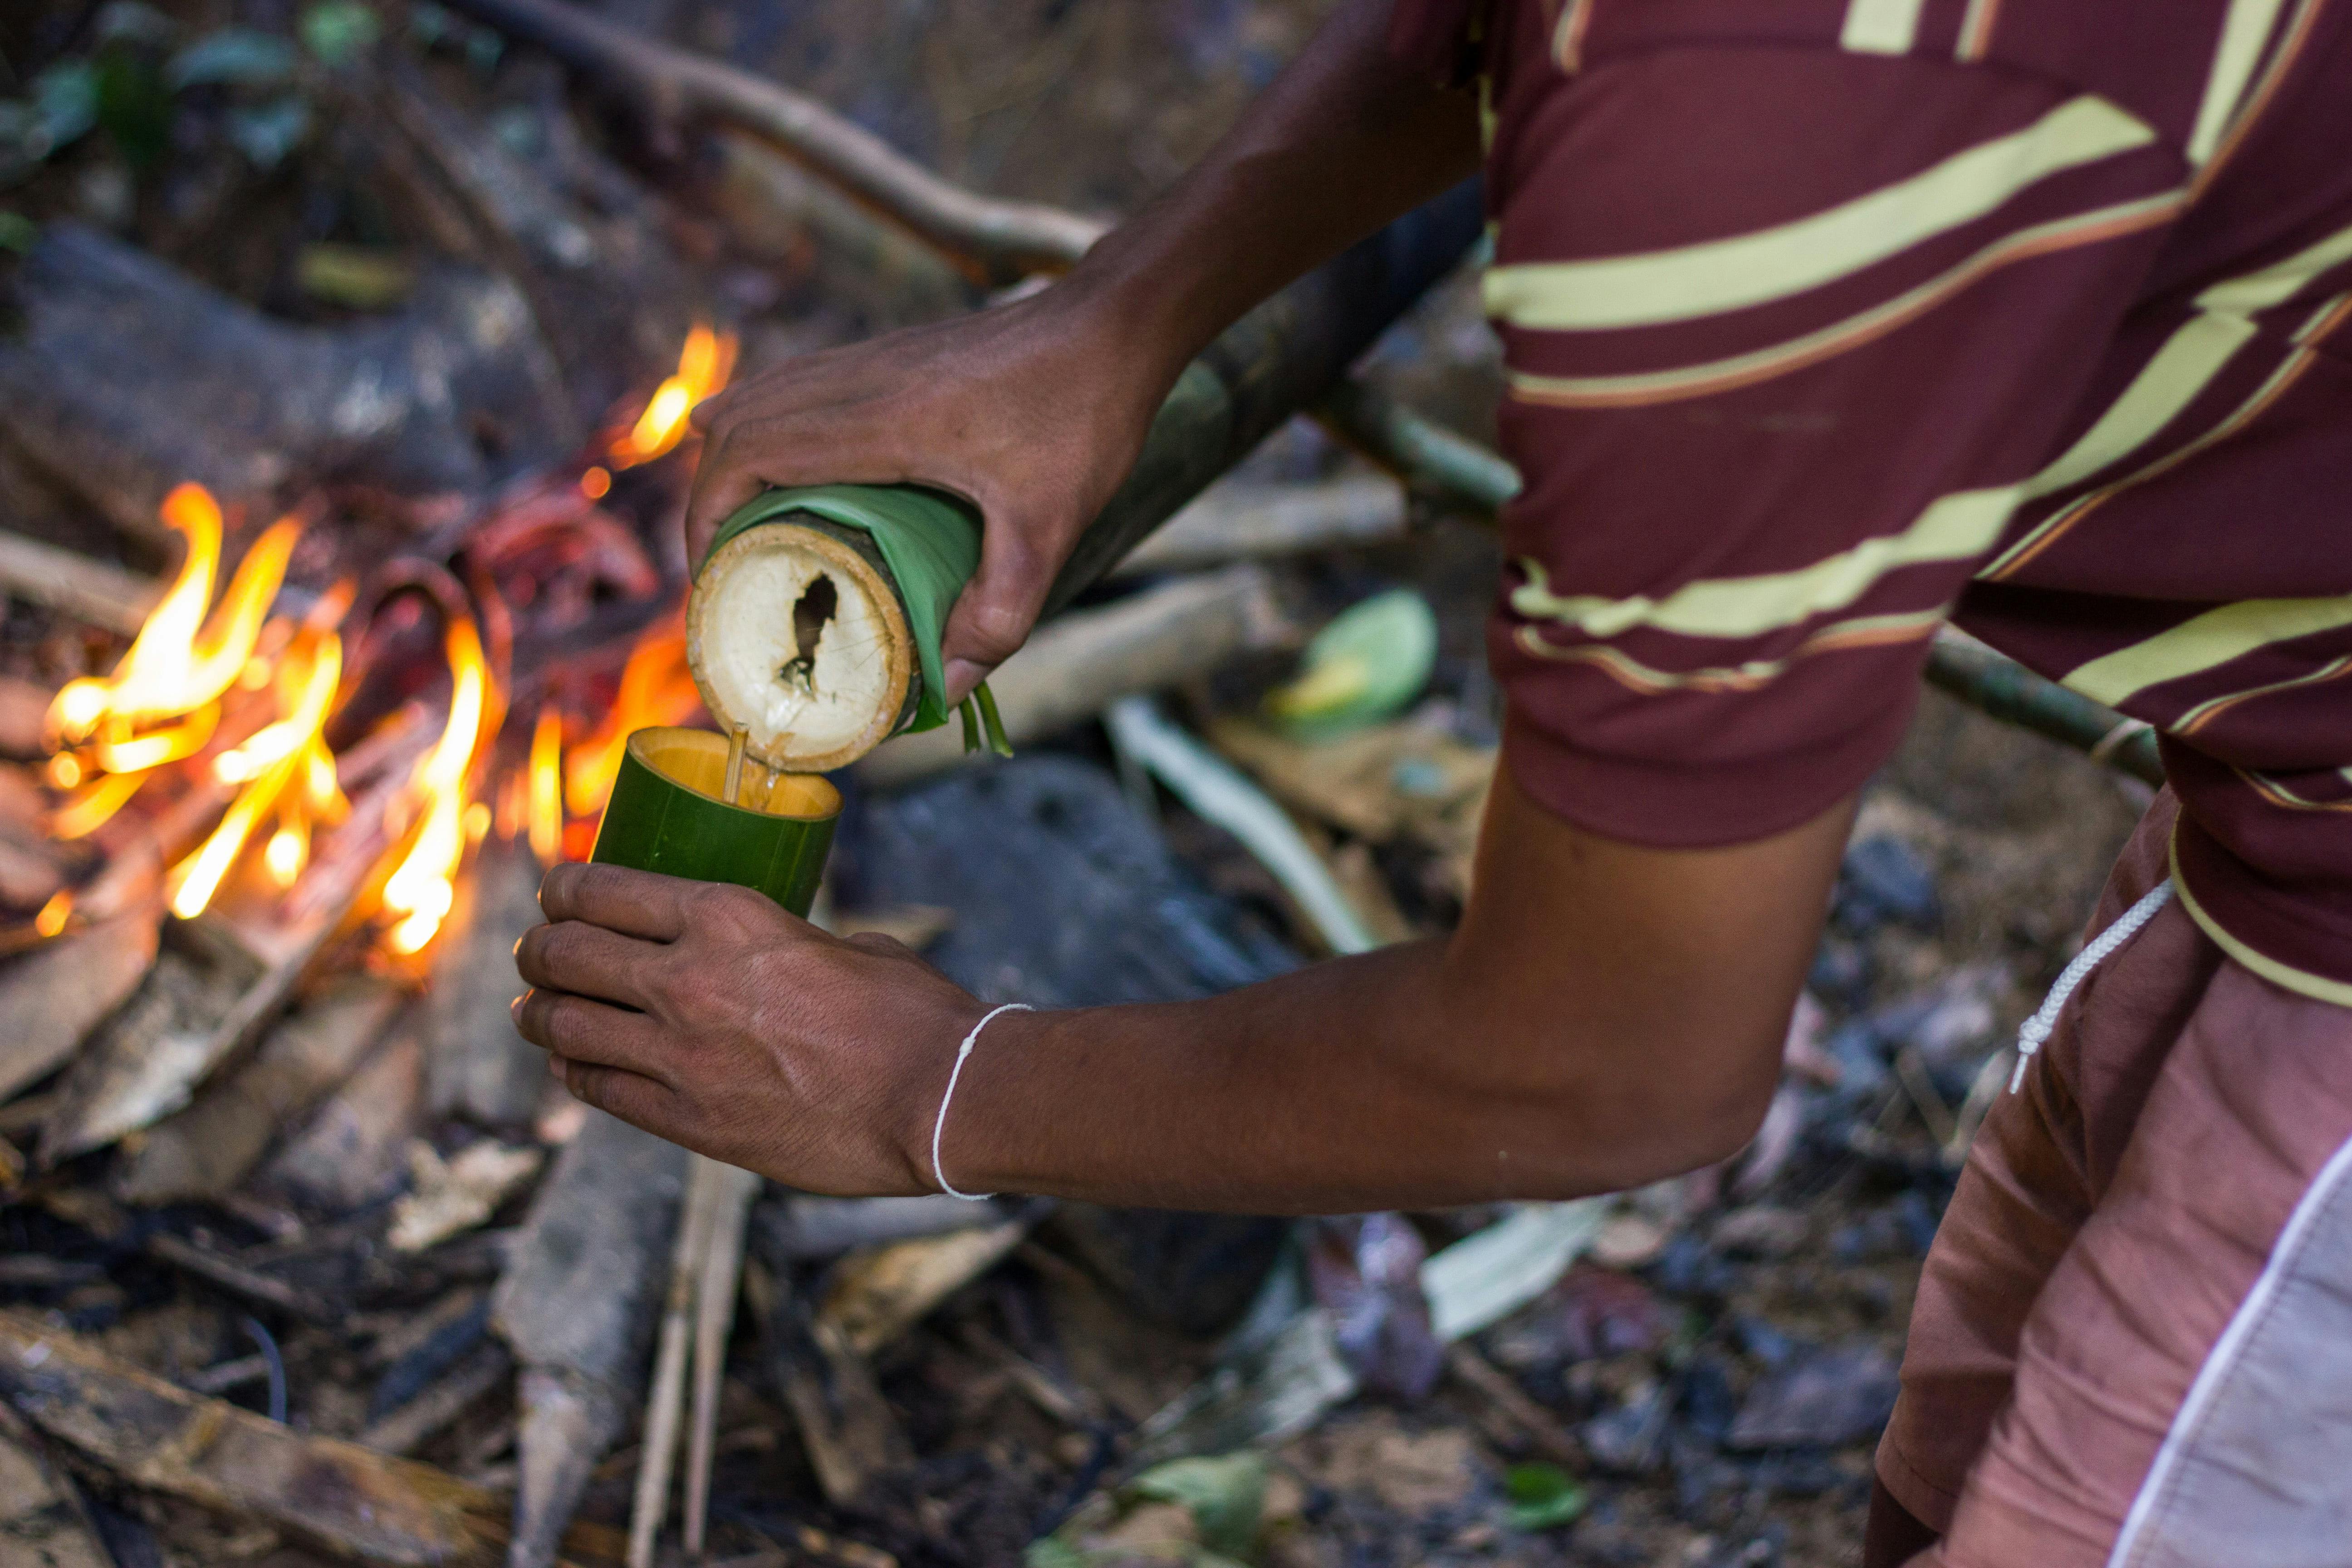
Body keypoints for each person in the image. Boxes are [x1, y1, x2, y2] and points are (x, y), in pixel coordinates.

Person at [510, 0, 2352, 1560]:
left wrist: (936, 1083)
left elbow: (1615, 1061)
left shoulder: (1752, 166)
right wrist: (1109, 323)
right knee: (1983, 1461)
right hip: (2288, 782)